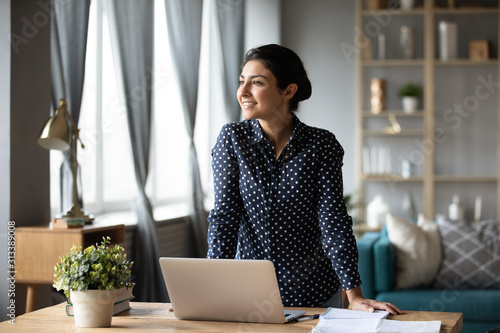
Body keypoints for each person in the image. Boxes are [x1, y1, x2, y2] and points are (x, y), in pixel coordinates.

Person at [206, 44, 403, 314]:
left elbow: (333, 220)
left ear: (288, 91)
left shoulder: (321, 145)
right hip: (248, 295)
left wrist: (355, 296)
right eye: (242, 82)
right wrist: (205, 292)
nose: (243, 92)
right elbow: (224, 218)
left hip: (314, 295)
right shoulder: (232, 139)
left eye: (257, 83)